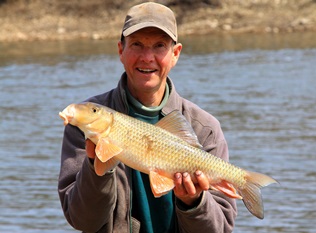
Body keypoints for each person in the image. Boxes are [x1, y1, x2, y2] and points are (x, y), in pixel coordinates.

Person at [58, 2, 237, 233]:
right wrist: (97, 169)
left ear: (175, 54)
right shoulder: (86, 123)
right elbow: (83, 221)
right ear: (121, 50)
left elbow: (220, 229)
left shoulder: (205, 128)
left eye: (159, 46)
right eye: (137, 45)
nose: (147, 57)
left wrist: (193, 202)